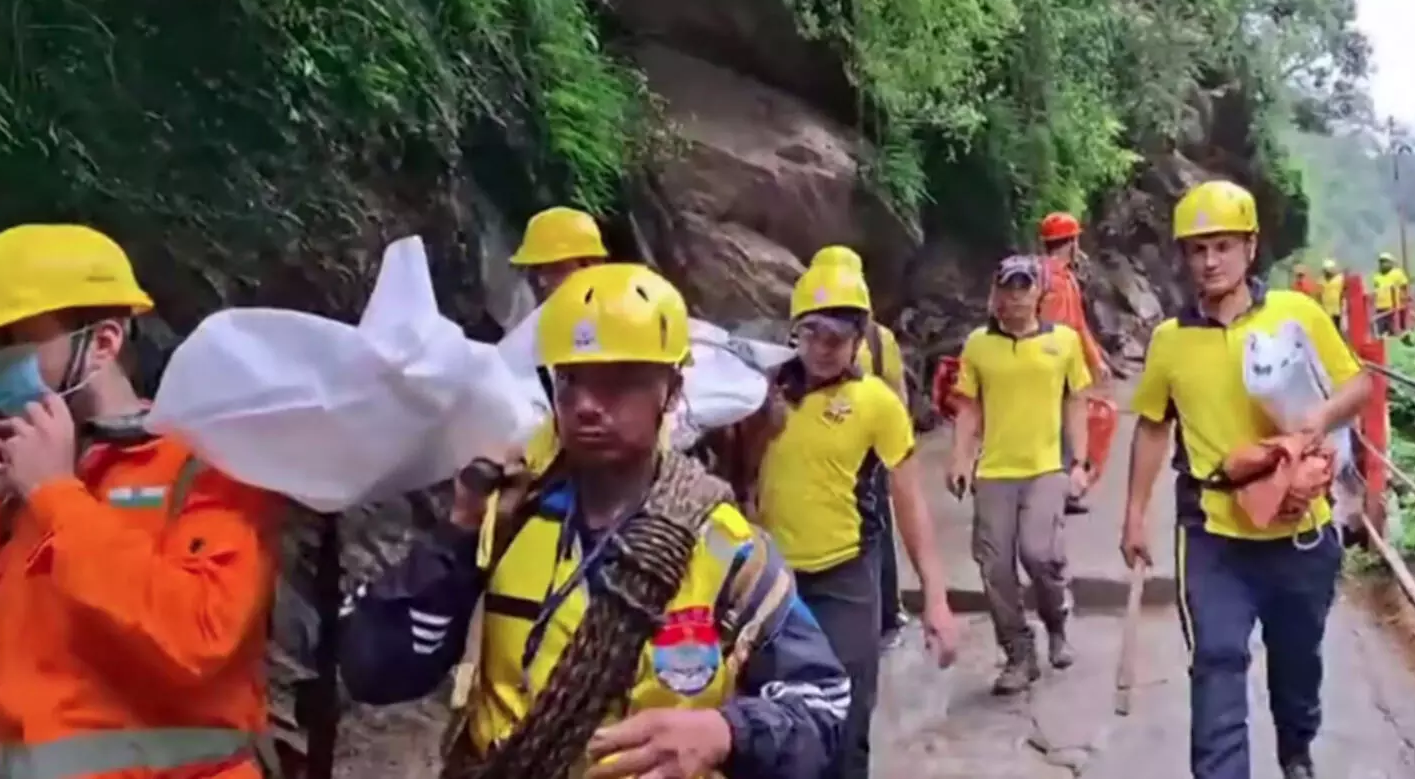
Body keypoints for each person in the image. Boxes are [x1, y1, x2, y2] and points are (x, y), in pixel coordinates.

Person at [338, 263, 848, 778]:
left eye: (618, 383)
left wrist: (726, 732)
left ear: (670, 392)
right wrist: (460, 528)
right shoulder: (510, 516)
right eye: (570, 381)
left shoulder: (725, 549)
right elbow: (376, 673)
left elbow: (823, 705)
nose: (584, 405)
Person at [0, 224, 283, 779]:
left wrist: (56, 496)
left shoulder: (206, 463)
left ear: (104, 342)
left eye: (12, 337)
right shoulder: (11, 485)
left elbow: (198, 640)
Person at [1120, 180, 1370, 779]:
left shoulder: (1298, 314)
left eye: (1223, 246)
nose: (1209, 261)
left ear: (1250, 248)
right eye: (1197, 249)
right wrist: (1133, 513)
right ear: (1183, 257)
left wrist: (1317, 418)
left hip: (1300, 533)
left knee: (1296, 663)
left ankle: (1296, 750)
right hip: (1211, 534)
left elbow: (1359, 386)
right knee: (1216, 661)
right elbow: (1153, 427)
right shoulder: (1169, 341)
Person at [755, 262, 959, 779]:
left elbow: (910, 503)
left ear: (859, 338)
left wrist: (935, 598)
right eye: (814, 332)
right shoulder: (760, 394)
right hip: (770, 581)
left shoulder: (876, 405)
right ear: (795, 331)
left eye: (840, 335)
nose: (825, 347)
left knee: (847, 724)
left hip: (844, 580)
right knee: (770, 723)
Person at [947, 255, 1091, 694]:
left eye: (1024, 287)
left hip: (1046, 467)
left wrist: (1080, 463)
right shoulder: (978, 345)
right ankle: (1018, 653)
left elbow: (1077, 401)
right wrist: (959, 458)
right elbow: (969, 407)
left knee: (1038, 553)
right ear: (996, 292)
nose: (1016, 296)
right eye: (1008, 287)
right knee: (995, 568)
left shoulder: (1063, 342)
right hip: (994, 471)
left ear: (1039, 293)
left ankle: (1057, 621)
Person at [807, 245, 909, 648]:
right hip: (872, 453)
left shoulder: (805, 338)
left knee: (863, 534)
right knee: (876, 532)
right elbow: (898, 393)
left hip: (854, 449)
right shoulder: (880, 338)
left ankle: (872, 617)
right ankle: (886, 615)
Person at [1037, 212, 1112, 515]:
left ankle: (1063, 488)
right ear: (1071, 243)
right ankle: (1059, 490)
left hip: (1060, 365)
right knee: (1062, 427)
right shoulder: (1054, 280)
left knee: (1064, 427)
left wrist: (1097, 360)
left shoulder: (1058, 277)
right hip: (1056, 366)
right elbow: (1058, 326)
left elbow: (1079, 325)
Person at [509, 206, 610, 302]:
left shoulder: (619, 310)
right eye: (537, 270)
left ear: (591, 264)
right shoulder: (544, 317)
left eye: (554, 269)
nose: (542, 282)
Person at [1371, 252, 1410, 337]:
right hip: (1380, 307)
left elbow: (1404, 287)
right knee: (1380, 331)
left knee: (1393, 331)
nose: (1383, 264)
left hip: (1393, 307)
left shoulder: (1397, 273)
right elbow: (1375, 289)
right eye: (1381, 262)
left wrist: (1404, 299)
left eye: (1385, 261)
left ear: (1391, 262)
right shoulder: (1377, 276)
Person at [1319, 259, 1345, 332]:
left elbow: (1345, 292)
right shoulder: (1321, 280)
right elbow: (1319, 295)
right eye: (1325, 270)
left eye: (1329, 269)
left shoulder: (1340, 278)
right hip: (1326, 311)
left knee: (1338, 331)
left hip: (1338, 310)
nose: (1327, 271)